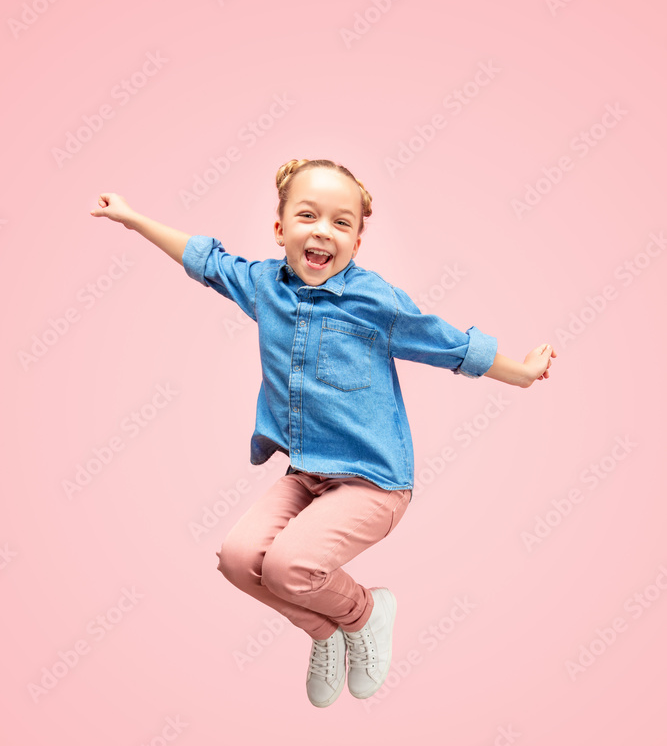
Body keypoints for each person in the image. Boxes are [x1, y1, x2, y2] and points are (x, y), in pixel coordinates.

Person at [91, 157, 556, 709]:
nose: (322, 231)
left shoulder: (373, 300)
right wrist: (135, 220)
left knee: (289, 567)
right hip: (307, 474)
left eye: (341, 223)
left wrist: (520, 373)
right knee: (238, 560)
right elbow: (207, 261)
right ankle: (326, 633)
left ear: (357, 243)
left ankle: (365, 613)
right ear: (280, 228)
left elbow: (444, 343)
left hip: (374, 481)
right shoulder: (265, 285)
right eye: (308, 215)